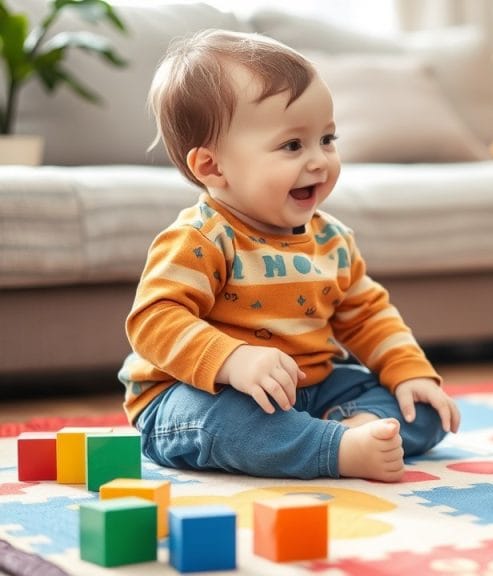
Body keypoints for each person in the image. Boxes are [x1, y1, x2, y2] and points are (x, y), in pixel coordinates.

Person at [119, 29, 460, 482]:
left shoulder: (332, 239)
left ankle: (350, 434)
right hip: (198, 393)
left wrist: (408, 371)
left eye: (328, 139)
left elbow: (367, 315)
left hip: (311, 387)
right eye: (293, 146)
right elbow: (154, 321)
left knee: (420, 408)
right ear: (212, 167)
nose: (319, 161)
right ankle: (333, 447)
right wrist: (232, 361)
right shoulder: (202, 238)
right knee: (229, 423)